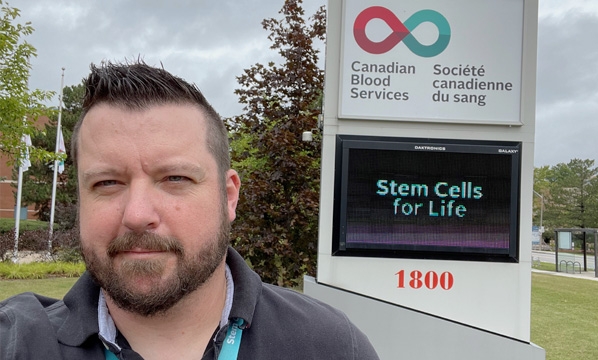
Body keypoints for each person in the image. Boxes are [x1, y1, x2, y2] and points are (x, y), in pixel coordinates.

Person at [0, 61, 379, 360]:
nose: (137, 214)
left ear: (228, 197)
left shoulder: (331, 347)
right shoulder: (17, 344)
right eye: (107, 183)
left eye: (175, 178)